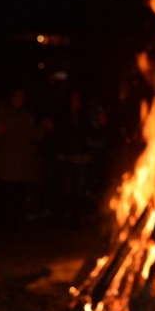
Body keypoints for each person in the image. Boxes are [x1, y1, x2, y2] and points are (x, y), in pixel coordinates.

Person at [0, 87, 52, 228]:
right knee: (4, 196)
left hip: (20, 167)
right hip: (5, 165)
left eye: (21, 97)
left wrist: (43, 127)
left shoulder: (27, 117)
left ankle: (14, 223)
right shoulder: (1, 114)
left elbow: (33, 137)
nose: (18, 99)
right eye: (16, 96)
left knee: (17, 196)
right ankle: (1, 224)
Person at [55, 90, 94, 228]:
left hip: (81, 159)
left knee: (79, 189)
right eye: (74, 99)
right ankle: (63, 218)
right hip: (67, 158)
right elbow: (59, 135)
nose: (76, 102)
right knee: (67, 189)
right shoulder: (63, 116)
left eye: (78, 99)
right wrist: (61, 151)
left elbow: (89, 135)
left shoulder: (84, 117)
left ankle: (75, 220)